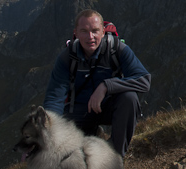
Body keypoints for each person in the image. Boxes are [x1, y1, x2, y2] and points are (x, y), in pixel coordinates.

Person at [43, 9, 150, 157]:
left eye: (95, 31)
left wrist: (106, 86)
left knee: (129, 98)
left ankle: (116, 156)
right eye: (84, 31)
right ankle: (89, 140)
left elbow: (143, 79)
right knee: (70, 156)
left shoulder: (117, 49)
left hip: (108, 107)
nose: (90, 37)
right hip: (79, 112)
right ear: (76, 33)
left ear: (103, 31)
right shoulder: (67, 58)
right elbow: (55, 97)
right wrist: (46, 130)